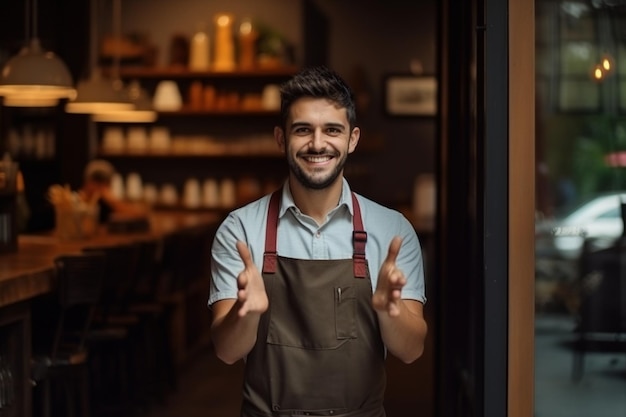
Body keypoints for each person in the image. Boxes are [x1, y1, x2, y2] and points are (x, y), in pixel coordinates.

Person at [208, 66, 428, 417]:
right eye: (302, 130)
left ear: (352, 139)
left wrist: (392, 310)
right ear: (281, 138)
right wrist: (245, 312)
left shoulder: (392, 231)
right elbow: (227, 351)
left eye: (332, 130)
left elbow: (412, 349)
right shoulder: (241, 230)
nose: (317, 143)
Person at [80, 159, 146, 223]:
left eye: (103, 182)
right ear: (86, 182)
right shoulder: (77, 200)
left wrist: (112, 201)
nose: (98, 187)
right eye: (95, 181)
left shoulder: (109, 202)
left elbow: (139, 214)